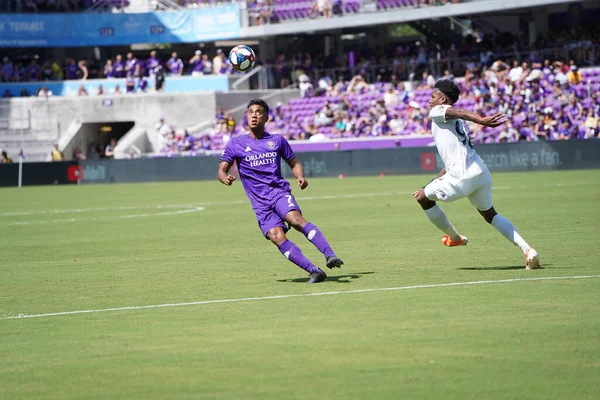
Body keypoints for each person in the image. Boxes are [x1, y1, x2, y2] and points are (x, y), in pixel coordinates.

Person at [412, 80, 539, 270]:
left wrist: (481, 120)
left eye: (432, 97)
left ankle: (455, 238)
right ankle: (528, 251)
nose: (429, 101)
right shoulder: (455, 122)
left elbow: (458, 111)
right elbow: (453, 156)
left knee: (423, 198)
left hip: (461, 178)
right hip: (480, 172)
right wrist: (433, 180)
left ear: (443, 99)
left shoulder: (439, 112)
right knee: (490, 214)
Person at [217, 99, 344, 283]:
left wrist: (299, 176)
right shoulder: (235, 144)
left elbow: (294, 163)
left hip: (278, 193)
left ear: (266, 117)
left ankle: (330, 255)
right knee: (277, 237)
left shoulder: (277, 140)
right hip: (260, 204)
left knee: (295, 220)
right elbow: (221, 170)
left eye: (259, 112)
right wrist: (225, 178)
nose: (254, 115)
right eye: (250, 111)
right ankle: (314, 271)